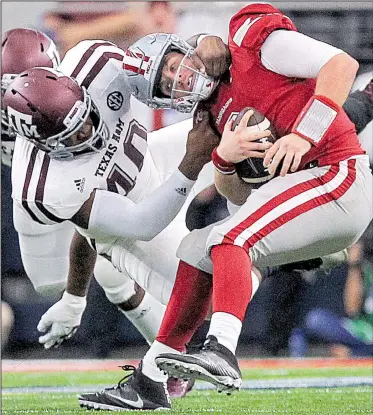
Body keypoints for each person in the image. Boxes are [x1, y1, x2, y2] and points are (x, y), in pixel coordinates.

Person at [77, 3, 373, 411]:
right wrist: (224, 159)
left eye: (172, 65)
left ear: (183, 48)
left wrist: (304, 136)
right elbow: (236, 195)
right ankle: (152, 377)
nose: (177, 78)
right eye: (166, 85)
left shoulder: (250, 40)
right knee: (196, 249)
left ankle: (222, 350)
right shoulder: (209, 117)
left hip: (338, 173)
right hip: (304, 191)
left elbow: (341, 64)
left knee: (229, 237)